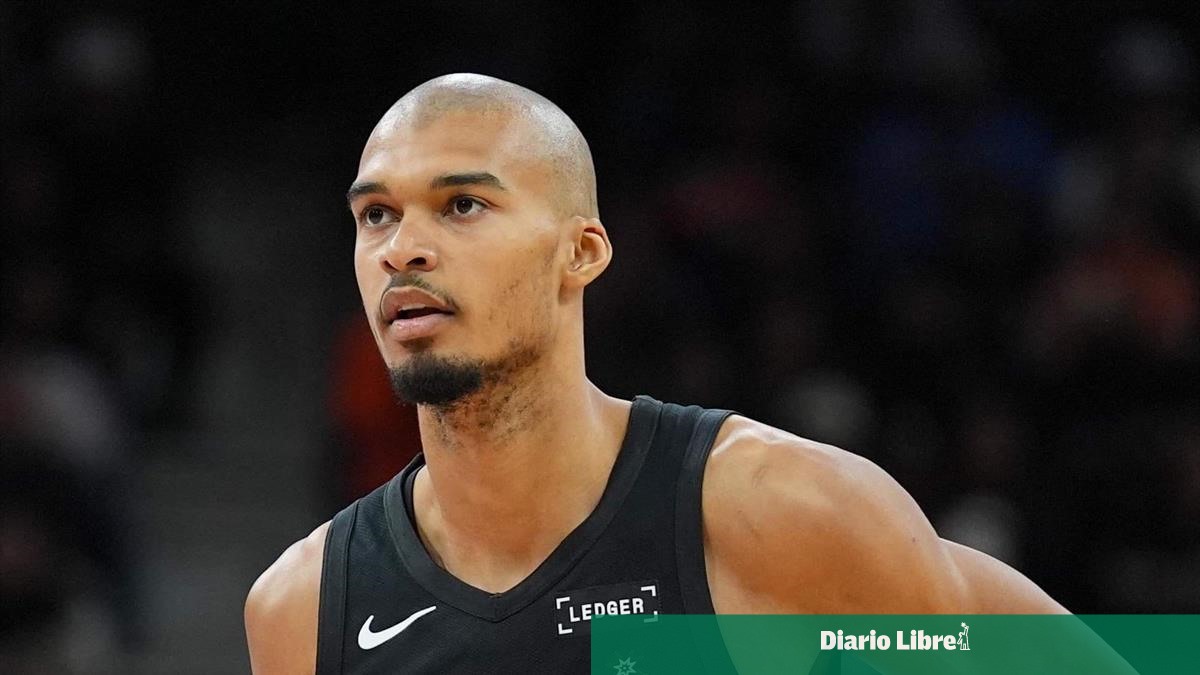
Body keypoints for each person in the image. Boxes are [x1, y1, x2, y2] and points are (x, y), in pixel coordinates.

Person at [243, 73, 1066, 674]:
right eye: (377, 214)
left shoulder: (773, 509)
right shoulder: (305, 606)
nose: (403, 249)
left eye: (462, 204)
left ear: (581, 252)